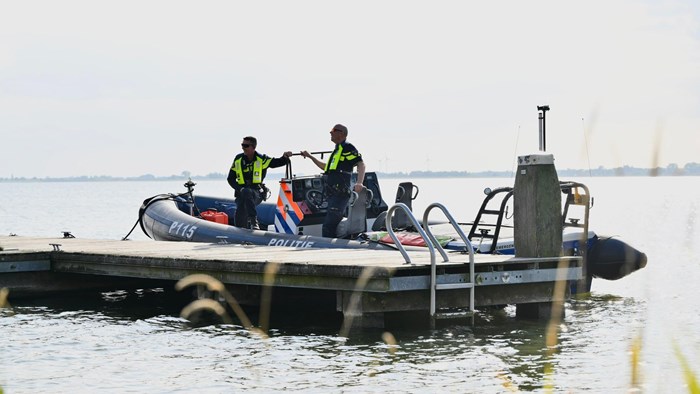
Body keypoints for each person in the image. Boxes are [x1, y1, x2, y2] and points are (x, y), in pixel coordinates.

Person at [301, 124, 365, 238]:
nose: (330, 133)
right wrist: (310, 156)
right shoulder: (337, 151)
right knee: (332, 224)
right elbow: (325, 167)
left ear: (342, 134)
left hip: (340, 195)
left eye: (333, 131)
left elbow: (361, 164)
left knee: (328, 226)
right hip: (332, 194)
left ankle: (327, 249)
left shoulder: (347, 147)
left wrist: (359, 182)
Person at [227, 136, 292, 229]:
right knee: (239, 218)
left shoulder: (261, 159)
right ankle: (243, 235)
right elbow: (230, 179)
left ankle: (253, 220)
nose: (243, 148)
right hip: (241, 193)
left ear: (253, 147)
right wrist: (240, 188)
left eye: (246, 145)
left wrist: (284, 157)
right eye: (242, 145)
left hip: (256, 193)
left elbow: (276, 162)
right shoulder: (238, 159)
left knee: (247, 192)